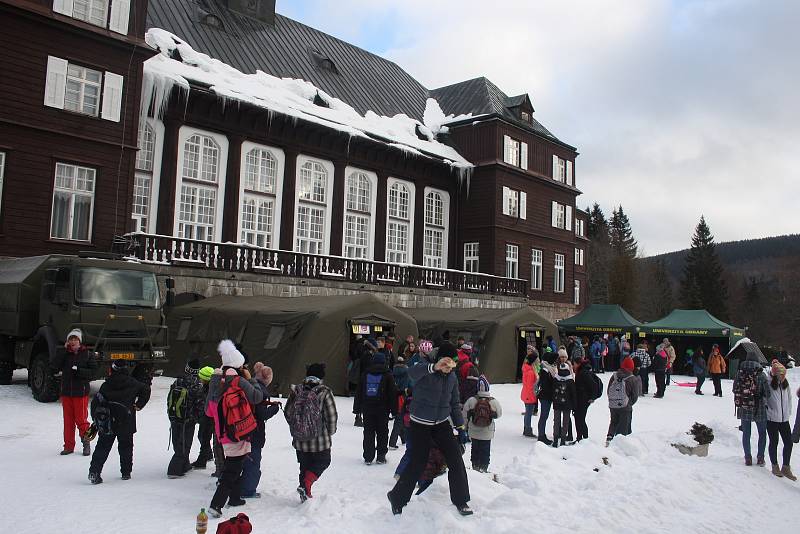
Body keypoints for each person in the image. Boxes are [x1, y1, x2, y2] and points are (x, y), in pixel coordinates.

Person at [386, 342, 473, 516]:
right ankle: (397, 498)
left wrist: (460, 427)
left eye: (452, 365)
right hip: (419, 423)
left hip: (441, 424)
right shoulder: (425, 370)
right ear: (440, 360)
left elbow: (454, 403)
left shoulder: (452, 378)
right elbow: (411, 373)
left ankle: (461, 500)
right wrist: (434, 367)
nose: (448, 369)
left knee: (456, 458)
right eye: (446, 364)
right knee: (418, 462)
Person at [206, 340, 264, 518]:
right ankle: (216, 505)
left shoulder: (215, 380)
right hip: (237, 431)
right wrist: (251, 379)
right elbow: (257, 397)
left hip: (221, 431)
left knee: (235, 465)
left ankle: (235, 498)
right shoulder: (238, 381)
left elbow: (208, 410)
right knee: (232, 469)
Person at [88, 359, 151, 484]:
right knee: (126, 447)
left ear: (112, 369)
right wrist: (139, 404)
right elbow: (146, 390)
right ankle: (126, 472)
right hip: (127, 421)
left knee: (102, 447)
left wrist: (96, 420)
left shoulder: (106, 384)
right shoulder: (133, 383)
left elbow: (96, 402)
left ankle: (94, 472)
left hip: (108, 422)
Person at [285, 362, 338, 502]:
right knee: (323, 461)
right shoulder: (324, 392)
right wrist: (330, 432)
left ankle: (304, 490)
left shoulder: (297, 390)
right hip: (320, 441)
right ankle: (306, 484)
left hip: (300, 441)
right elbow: (331, 415)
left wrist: (297, 427)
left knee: (304, 466)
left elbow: (288, 413)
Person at [52, 328, 96, 456]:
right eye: (70, 339)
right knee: (68, 421)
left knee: (82, 420)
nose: (72, 341)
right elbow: (54, 365)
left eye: (75, 339)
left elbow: (93, 373)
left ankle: (86, 443)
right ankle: (68, 446)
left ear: (79, 341)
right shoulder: (65, 353)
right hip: (66, 393)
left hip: (80, 393)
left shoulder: (87, 354)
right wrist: (63, 351)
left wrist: (79, 371)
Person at [240, 362, 280, 498]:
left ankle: (235, 485)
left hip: (241, 429)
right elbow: (261, 414)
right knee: (253, 462)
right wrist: (274, 409)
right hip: (254, 432)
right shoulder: (261, 392)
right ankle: (248, 490)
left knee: (240, 460)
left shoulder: (248, 385)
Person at [354, 352, 397, 465]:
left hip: (367, 408)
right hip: (383, 409)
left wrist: (357, 408)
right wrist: (394, 410)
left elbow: (359, 392)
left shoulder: (365, 373)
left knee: (368, 432)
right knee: (382, 432)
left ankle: (368, 457)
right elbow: (392, 394)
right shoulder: (388, 374)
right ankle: (381, 457)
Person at [166, 359, 205, 478]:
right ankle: (174, 470)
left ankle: (184, 464)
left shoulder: (178, 381)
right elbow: (200, 404)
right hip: (188, 419)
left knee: (177, 441)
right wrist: (198, 418)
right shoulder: (197, 384)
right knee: (184, 443)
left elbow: (169, 398)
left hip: (175, 416)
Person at [734, 352, 769, 466]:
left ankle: (748, 457)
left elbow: (735, 389)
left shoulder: (740, 373)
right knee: (762, 433)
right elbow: (767, 393)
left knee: (746, 433)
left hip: (744, 406)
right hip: (759, 408)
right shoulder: (761, 374)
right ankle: (760, 457)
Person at [462, 376, 502, 472]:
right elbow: (499, 414)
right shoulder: (493, 401)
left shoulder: (472, 400)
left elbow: (464, 415)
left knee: (475, 449)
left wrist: (465, 427)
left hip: (474, 431)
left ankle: (475, 466)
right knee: (485, 451)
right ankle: (484, 468)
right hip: (487, 432)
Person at [765, 360, 795, 479]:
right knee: (774, 442)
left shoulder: (785, 384)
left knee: (789, 442)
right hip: (772, 419)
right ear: (776, 374)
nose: (783, 377)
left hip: (784, 419)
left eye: (784, 375)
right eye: (780, 374)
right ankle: (774, 465)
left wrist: (788, 412)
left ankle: (786, 467)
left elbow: (790, 398)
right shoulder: (768, 382)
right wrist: (770, 411)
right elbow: (765, 400)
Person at [545, 355, 575, 448]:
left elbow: (552, 390)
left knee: (556, 421)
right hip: (567, 404)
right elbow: (574, 394)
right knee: (565, 422)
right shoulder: (570, 380)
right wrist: (574, 405)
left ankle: (555, 440)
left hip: (557, 403)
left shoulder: (556, 379)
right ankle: (562, 440)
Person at [606, 357, 639, 441]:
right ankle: (621, 444)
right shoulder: (633, 379)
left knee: (613, 422)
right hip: (625, 406)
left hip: (613, 404)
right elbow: (635, 396)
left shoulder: (614, 377)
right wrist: (629, 403)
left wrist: (613, 400)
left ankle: (609, 439)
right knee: (624, 426)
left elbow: (609, 390)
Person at [192, 366, 215, 470]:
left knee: (204, 437)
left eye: (201, 378)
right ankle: (208, 455)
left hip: (208, 419)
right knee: (202, 436)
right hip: (207, 418)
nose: (199, 379)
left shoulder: (209, 390)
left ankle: (202, 460)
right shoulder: (209, 388)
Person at [536, 350, 557, 445]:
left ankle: (542, 434)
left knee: (544, 416)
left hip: (546, 396)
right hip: (545, 396)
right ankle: (541, 435)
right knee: (544, 416)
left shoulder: (548, 369)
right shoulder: (545, 371)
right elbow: (545, 386)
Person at [573, 357, 596, 442]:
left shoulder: (583, 372)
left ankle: (583, 438)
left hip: (583, 400)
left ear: (578, 364)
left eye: (574, 364)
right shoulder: (581, 371)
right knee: (579, 418)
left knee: (580, 418)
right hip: (582, 399)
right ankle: (581, 438)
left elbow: (593, 385)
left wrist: (592, 397)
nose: (573, 366)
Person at [521, 347, 538, 437]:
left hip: (526, 393)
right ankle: (527, 430)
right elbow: (531, 385)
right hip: (529, 394)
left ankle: (526, 428)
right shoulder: (530, 372)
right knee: (528, 413)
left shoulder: (526, 368)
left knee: (528, 412)